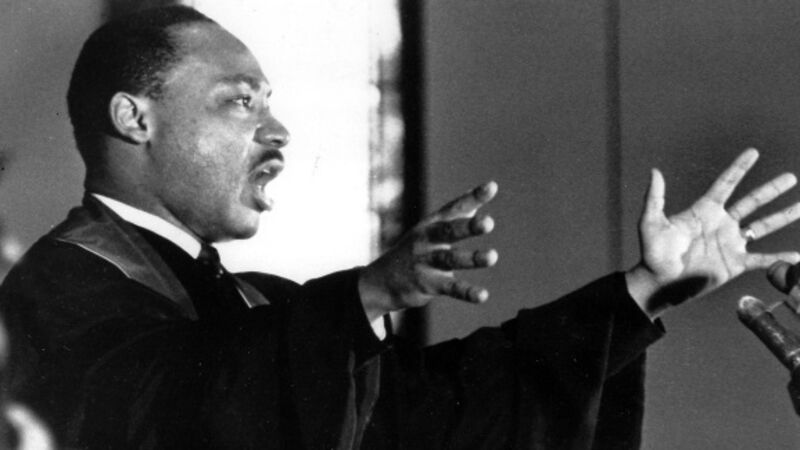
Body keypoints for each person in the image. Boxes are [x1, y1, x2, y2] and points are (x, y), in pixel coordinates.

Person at [1, 5, 799, 449]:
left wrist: (640, 292)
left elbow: (442, 412)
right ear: (134, 118)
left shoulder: (262, 306)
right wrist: (366, 295)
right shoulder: (51, 292)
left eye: (272, 103)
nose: (278, 132)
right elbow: (164, 415)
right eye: (240, 102)